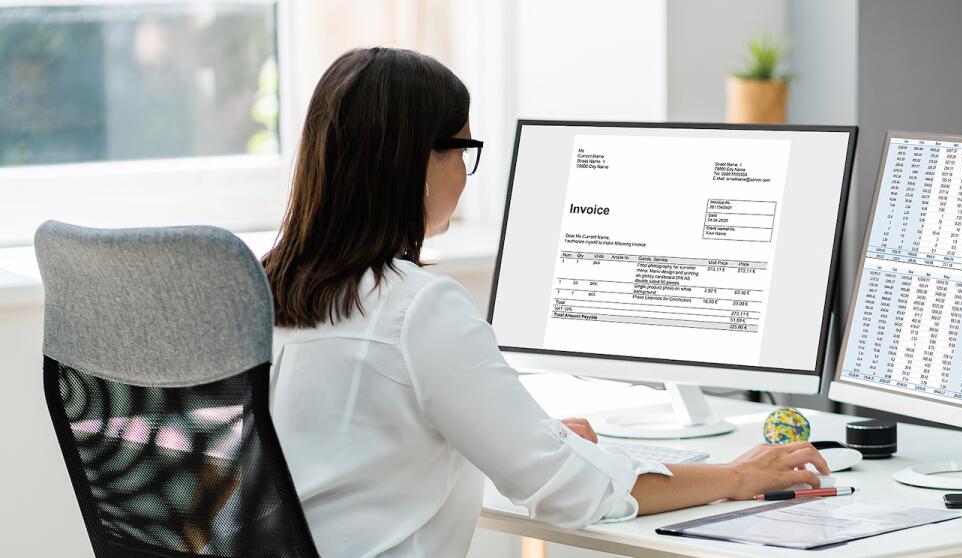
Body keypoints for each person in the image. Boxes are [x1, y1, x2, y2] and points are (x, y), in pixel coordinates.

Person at [262, 47, 829, 558]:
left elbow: (356, 444)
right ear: (414, 162)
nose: (464, 171)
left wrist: (527, 432)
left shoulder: (262, 291)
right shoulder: (418, 309)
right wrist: (734, 475)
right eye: (462, 148)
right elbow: (571, 494)